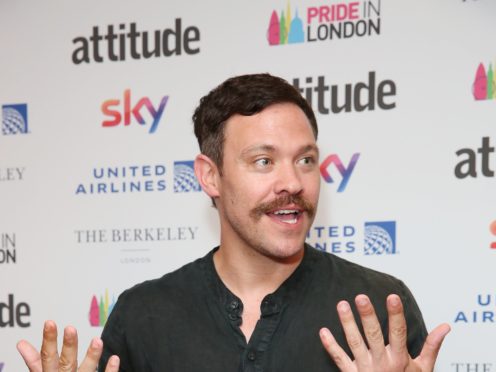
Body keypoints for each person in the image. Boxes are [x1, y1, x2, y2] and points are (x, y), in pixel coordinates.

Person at [17, 73, 450, 371]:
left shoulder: (377, 305)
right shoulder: (144, 315)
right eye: (263, 161)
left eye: (306, 160)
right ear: (210, 175)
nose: (293, 182)